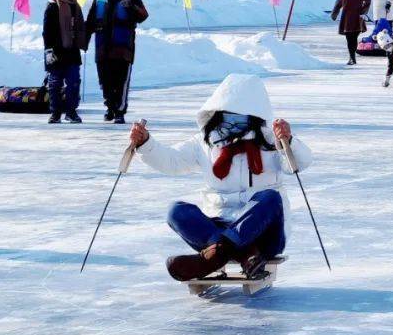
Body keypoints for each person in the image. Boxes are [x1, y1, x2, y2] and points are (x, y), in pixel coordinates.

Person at [128, 74, 313, 281]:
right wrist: (145, 143)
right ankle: (241, 254)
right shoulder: (206, 142)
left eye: (241, 114)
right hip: (217, 227)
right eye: (227, 114)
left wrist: (288, 141)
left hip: (264, 234)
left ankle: (215, 256)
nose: (233, 121)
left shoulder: (271, 140)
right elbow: (173, 161)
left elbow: (300, 163)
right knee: (176, 211)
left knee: (270, 198)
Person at [85, 0, 148, 123]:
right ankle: (110, 107)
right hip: (102, 48)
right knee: (104, 82)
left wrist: (132, 7)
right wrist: (83, 39)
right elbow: (91, 21)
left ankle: (119, 111)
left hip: (123, 49)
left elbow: (143, 16)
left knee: (120, 82)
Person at [42, 0, 88, 124]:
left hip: (72, 52)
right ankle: (55, 112)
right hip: (56, 51)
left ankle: (71, 111)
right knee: (54, 84)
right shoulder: (52, 7)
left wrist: (83, 40)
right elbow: (47, 31)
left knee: (74, 82)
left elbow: (80, 28)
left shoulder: (76, 7)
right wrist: (49, 50)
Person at [330, 0, 371, 65]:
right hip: (357, 20)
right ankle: (353, 58)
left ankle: (352, 58)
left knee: (349, 40)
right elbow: (368, 0)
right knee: (354, 38)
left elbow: (337, 5)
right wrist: (363, 11)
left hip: (347, 21)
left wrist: (334, 15)